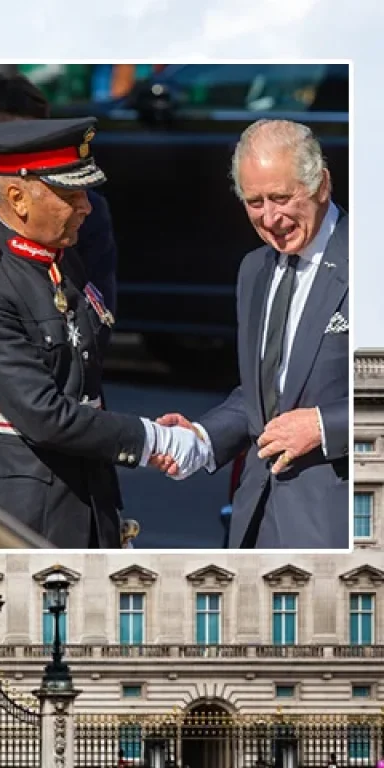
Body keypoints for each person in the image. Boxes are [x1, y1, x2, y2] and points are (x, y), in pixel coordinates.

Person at [0, 116, 206, 548]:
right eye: (70, 194)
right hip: (30, 515)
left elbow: (84, 378)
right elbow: (45, 415)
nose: (86, 206)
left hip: (90, 495)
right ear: (18, 198)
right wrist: (150, 438)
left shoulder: (62, 259)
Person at [155, 119, 349, 549]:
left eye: (281, 197)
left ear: (322, 185)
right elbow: (263, 395)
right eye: (254, 201)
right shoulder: (254, 270)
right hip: (256, 524)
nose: (270, 217)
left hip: (339, 525)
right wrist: (202, 439)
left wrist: (323, 424)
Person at [0, 72, 119, 316]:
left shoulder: (92, 211)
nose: (17, 150)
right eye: (3, 140)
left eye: (29, 141)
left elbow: (100, 308)